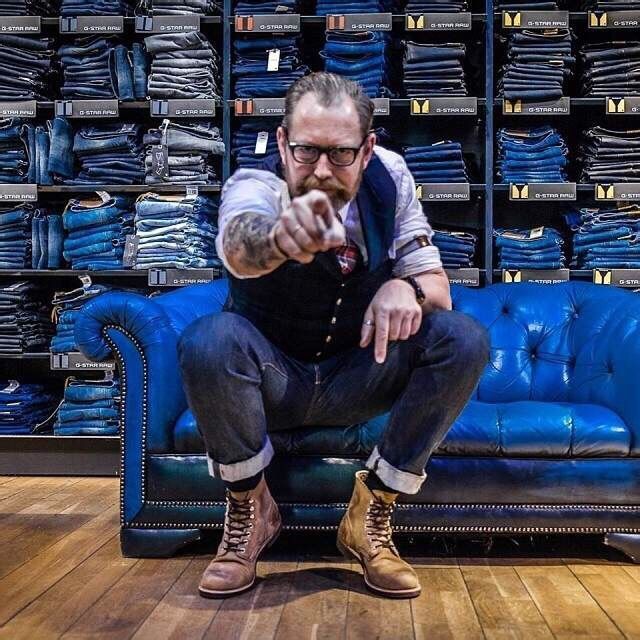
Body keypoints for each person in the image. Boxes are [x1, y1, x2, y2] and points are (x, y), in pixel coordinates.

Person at [178, 72, 490, 600]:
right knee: (208, 338)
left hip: (357, 376)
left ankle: (372, 513)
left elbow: (438, 290)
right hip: (273, 382)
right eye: (305, 151)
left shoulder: (391, 177)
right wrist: (279, 240)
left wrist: (406, 288)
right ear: (282, 142)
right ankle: (251, 508)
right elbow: (239, 247)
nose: (321, 169)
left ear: (367, 149)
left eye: (341, 153)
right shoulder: (254, 183)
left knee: (463, 338)